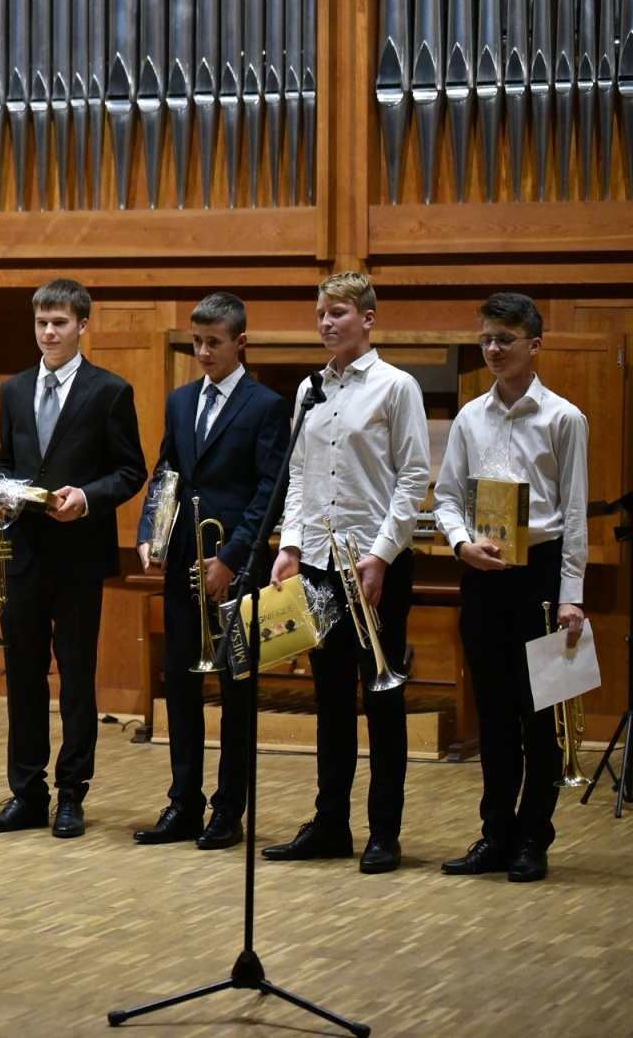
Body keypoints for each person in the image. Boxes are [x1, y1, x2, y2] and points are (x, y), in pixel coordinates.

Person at [266, 271, 430, 874]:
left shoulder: (396, 387)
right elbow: (301, 475)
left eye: (338, 312)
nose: (327, 322)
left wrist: (382, 555)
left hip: (375, 566)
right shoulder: (310, 389)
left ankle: (383, 830)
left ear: (368, 318)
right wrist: (289, 544)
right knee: (330, 699)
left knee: (382, 699)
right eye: (321, 314)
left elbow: (413, 479)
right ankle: (331, 822)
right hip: (317, 565)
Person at [0, 279, 147, 839]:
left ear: (82, 326)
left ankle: (72, 794)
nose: (49, 332)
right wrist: (1, 488)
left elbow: (130, 471)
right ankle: (26, 793)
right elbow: (6, 461)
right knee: (23, 678)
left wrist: (88, 498)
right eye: (41, 323)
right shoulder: (14, 388)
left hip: (78, 556)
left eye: (59, 323)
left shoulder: (109, 390)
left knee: (76, 680)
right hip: (25, 554)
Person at [434, 293, 588, 883]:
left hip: (542, 577)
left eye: (505, 339)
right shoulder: (471, 416)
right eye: (486, 340)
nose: (494, 349)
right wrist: (459, 544)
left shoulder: (564, 418)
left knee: (540, 715)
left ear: (534, 345)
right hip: (485, 574)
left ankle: (533, 838)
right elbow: (448, 497)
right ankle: (495, 833)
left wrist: (571, 593)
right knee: (494, 715)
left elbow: (573, 512)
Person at [133, 293, 288, 849]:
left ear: (240, 342)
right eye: (196, 342)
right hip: (183, 564)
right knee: (181, 685)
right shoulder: (179, 401)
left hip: (236, 570)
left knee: (236, 691)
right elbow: (166, 471)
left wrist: (232, 559)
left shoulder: (266, 405)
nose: (202, 352)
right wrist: (151, 533)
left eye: (213, 343)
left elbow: (271, 490)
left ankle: (228, 810)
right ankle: (184, 803)